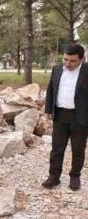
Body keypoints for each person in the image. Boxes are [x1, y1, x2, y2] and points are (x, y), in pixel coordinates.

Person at [42, 44, 88, 191]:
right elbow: (51, 90)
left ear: (81, 59)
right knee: (56, 148)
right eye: (65, 59)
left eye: (72, 61)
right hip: (60, 115)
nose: (68, 63)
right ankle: (54, 177)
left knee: (78, 149)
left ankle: (75, 177)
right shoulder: (56, 69)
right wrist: (48, 109)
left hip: (80, 117)